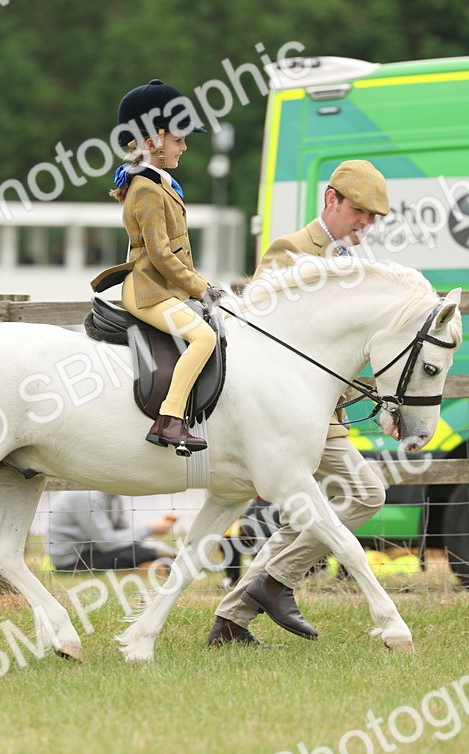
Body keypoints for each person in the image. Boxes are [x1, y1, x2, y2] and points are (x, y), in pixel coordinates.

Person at [207, 161, 392, 646]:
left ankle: (233, 618)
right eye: (359, 210)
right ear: (331, 199)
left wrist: (376, 400)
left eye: (373, 216)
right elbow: (258, 334)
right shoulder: (290, 251)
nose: (366, 222)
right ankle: (272, 586)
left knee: (308, 514)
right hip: (285, 416)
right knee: (364, 494)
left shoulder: (353, 265)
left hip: (323, 416)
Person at [92, 79, 222, 454]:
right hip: (147, 291)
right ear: (153, 141)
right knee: (204, 338)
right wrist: (201, 288)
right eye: (179, 140)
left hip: (162, 287)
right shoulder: (147, 189)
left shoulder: (157, 182)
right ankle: (170, 418)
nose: (184, 147)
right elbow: (162, 254)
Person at [46, 491, 178, 572]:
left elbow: (127, 536)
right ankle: (170, 564)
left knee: (137, 551)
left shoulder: (113, 495)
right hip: (73, 560)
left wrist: (164, 547)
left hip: (96, 550)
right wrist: (150, 529)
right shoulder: (86, 495)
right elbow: (107, 544)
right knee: (136, 553)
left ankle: (173, 560)